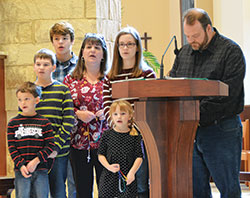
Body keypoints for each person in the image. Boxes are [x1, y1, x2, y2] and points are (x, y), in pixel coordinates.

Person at [169, 8, 245, 198]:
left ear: (209, 28)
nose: (191, 40)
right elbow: (173, 85)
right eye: (187, 36)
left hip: (221, 129)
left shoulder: (230, 51)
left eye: (195, 35)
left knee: (228, 189)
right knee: (195, 190)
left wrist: (193, 112)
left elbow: (229, 94)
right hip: (189, 131)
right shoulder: (185, 52)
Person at [103, 26, 156, 198]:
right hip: (117, 137)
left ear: (137, 47)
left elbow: (152, 107)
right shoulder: (109, 77)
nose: (125, 48)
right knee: (118, 184)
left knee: (140, 183)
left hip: (141, 136)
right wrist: (120, 130)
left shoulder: (147, 75)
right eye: (121, 45)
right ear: (117, 48)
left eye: (130, 44)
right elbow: (106, 107)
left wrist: (135, 130)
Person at [63, 33, 109, 198]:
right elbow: (64, 108)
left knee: (107, 190)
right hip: (79, 143)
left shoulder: (110, 80)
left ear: (103, 54)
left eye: (97, 47)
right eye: (88, 47)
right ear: (82, 52)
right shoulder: (70, 80)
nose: (92, 50)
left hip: (106, 144)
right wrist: (77, 113)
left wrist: (108, 111)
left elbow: (121, 105)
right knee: (82, 190)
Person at [33, 48, 75, 198]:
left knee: (58, 191)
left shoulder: (63, 90)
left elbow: (69, 120)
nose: (41, 67)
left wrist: (55, 147)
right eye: (38, 64)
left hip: (58, 152)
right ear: (34, 67)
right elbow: (24, 122)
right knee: (38, 193)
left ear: (53, 67)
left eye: (45, 64)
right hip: (35, 152)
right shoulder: (29, 92)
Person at [7, 81, 56, 198]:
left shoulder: (44, 123)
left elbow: (50, 146)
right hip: (21, 171)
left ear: (36, 100)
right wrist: (21, 165)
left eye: (27, 99)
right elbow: (12, 148)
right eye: (20, 99)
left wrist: (36, 161)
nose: (23, 103)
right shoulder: (13, 124)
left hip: (41, 169)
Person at [49, 21, 77, 198]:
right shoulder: (47, 65)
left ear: (71, 41)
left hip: (76, 131)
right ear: (52, 41)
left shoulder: (79, 66)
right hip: (55, 132)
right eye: (56, 38)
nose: (60, 42)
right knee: (57, 186)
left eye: (64, 38)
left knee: (75, 183)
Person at [98, 100, 143, 198]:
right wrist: (108, 167)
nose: (119, 117)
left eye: (123, 114)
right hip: (108, 178)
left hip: (128, 178)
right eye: (115, 114)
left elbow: (139, 157)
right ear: (111, 116)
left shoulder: (135, 136)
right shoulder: (107, 134)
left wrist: (132, 172)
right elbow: (101, 155)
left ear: (130, 116)